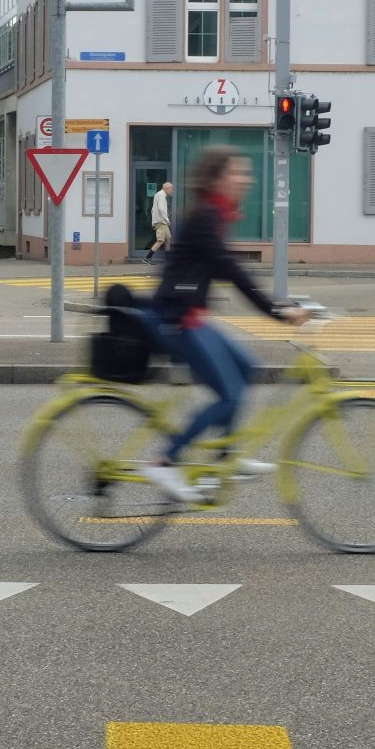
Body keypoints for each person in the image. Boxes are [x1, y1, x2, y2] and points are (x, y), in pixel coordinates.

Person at [135, 148, 308, 504]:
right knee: (230, 395)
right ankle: (165, 460)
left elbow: (227, 269)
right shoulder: (205, 216)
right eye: (238, 173)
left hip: (191, 317)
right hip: (176, 321)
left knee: (246, 368)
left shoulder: (215, 214)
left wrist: (283, 306)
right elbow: (233, 272)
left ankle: (227, 456)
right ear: (217, 179)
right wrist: (278, 312)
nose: (246, 179)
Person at [147, 181, 174, 265]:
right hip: (161, 222)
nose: (172, 191)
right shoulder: (161, 195)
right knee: (161, 240)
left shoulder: (159, 194)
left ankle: (168, 258)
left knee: (168, 239)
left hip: (160, 221)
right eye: (171, 189)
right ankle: (147, 257)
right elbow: (161, 209)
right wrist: (167, 219)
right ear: (167, 188)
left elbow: (153, 209)